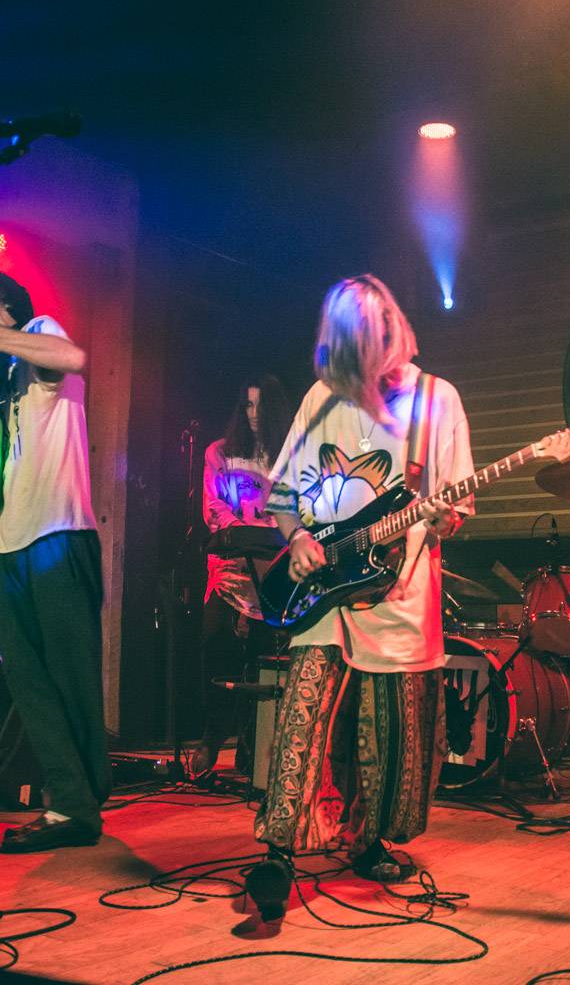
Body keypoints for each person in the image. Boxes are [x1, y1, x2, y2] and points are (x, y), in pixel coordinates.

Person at [244, 274, 474, 921]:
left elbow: (457, 505)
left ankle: (370, 842)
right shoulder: (325, 395)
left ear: (387, 335)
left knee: (391, 734)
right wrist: (295, 543)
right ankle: (278, 850)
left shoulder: (437, 401)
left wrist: (441, 517)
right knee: (301, 713)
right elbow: (284, 496)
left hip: (397, 593)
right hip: (324, 591)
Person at [0, 267, 110, 854]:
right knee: (29, 682)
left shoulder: (37, 330)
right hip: (11, 539)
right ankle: (68, 806)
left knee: (69, 676)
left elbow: (74, 356)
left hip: (59, 531)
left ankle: (83, 800)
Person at [191, 374, 293, 779]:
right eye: (246, 406)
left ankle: (254, 748)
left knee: (265, 658)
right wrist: (241, 532)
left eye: (260, 407)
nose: (252, 415)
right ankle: (212, 735)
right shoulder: (220, 453)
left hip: (275, 572)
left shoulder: (287, 456)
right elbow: (213, 507)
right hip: (231, 569)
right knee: (214, 644)